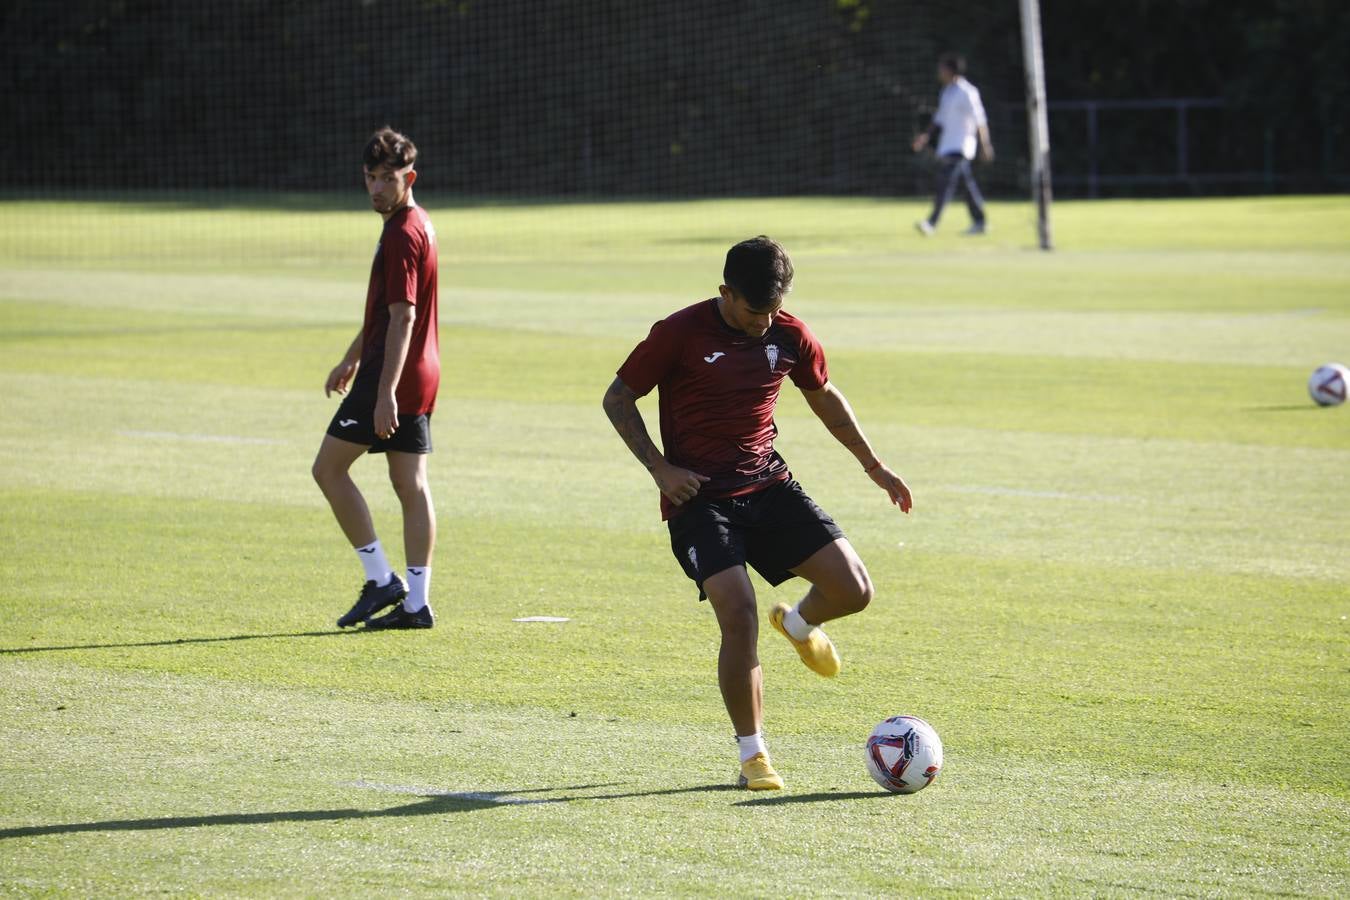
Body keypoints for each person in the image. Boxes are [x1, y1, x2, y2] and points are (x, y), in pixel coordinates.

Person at [602, 236, 912, 791]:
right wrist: (661, 470)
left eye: (773, 310)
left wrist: (875, 465)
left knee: (855, 589)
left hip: (768, 485)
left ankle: (797, 623)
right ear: (725, 293)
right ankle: (754, 755)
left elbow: (824, 396)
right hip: (698, 499)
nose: (764, 323)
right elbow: (618, 398)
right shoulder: (679, 332)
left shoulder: (788, 334)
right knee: (739, 612)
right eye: (752, 311)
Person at [313, 126, 440, 630]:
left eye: (388, 178)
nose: (377, 188)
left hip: (396, 374)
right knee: (409, 482)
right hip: (419, 370)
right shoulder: (418, 222)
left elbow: (403, 316)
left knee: (328, 470)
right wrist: (352, 357)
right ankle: (417, 603)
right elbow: (388, 314)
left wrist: (382, 389)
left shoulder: (402, 234)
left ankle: (382, 578)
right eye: (370, 177)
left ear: (410, 176)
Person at [912, 53, 994, 236]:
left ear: (950, 70)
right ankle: (980, 221)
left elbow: (980, 120)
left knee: (945, 183)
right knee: (966, 185)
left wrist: (985, 145)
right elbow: (939, 118)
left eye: (941, 68)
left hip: (963, 146)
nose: (939, 72)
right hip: (948, 146)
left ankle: (931, 223)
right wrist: (925, 135)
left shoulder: (968, 92)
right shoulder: (947, 92)